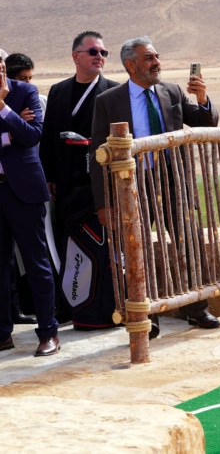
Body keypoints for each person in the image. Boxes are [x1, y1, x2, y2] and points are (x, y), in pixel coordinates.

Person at [89, 36, 220, 330]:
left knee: (190, 244)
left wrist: (202, 99)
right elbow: (97, 154)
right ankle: (148, 317)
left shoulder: (172, 92)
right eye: (149, 58)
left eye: (156, 57)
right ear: (130, 65)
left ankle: (198, 310)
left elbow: (205, 123)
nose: (156, 63)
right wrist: (103, 204)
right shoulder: (108, 101)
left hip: (174, 182)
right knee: (139, 251)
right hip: (133, 185)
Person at [41, 32, 120, 330]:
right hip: (66, 184)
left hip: (99, 186)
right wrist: (49, 176)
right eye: (93, 51)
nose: (100, 57)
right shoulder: (59, 91)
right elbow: (49, 137)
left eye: (103, 52)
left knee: (103, 246)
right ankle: (71, 305)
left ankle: (104, 308)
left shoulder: (113, 91)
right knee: (68, 243)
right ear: (75, 56)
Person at [0, 52, 61, 356]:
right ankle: (2, 333)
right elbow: (18, 136)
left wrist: (2, 108)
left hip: (23, 190)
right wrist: (9, 134)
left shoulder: (25, 91)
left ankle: (48, 332)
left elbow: (33, 135)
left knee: (36, 263)